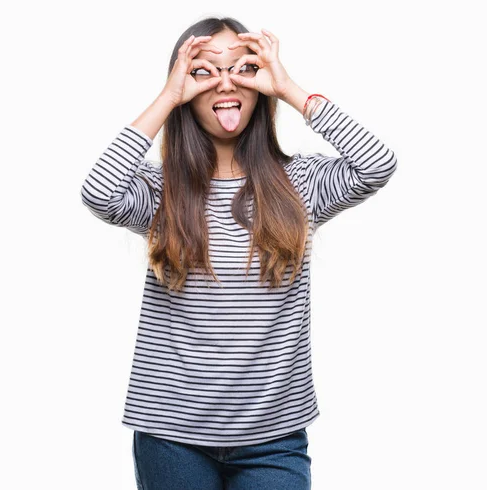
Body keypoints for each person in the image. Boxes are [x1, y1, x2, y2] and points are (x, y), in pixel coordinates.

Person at [80, 16, 397, 490]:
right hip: (172, 434)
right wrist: (167, 98)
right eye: (205, 71)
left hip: (274, 438)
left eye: (242, 68)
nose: (225, 82)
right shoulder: (159, 188)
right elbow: (98, 192)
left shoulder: (301, 185)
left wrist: (289, 88)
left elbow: (377, 163)